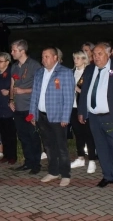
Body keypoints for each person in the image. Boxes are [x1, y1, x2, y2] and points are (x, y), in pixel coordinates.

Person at [78, 42, 113, 192]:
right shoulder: (90, 69)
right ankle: (107, 175)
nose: (96, 57)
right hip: (95, 117)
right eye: (94, 54)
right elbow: (84, 93)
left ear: (108, 54)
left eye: (99, 54)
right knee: (101, 147)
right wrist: (82, 111)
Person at [29, 47, 74, 186]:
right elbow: (34, 95)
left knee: (61, 147)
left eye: (47, 56)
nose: (44, 59)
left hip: (57, 116)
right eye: (42, 57)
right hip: (42, 116)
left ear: (55, 58)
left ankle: (65, 174)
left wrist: (65, 117)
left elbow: (69, 97)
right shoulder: (39, 73)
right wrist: (32, 114)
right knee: (48, 146)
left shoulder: (65, 73)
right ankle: (53, 171)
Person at [10, 39, 42, 174]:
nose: (11, 53)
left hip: (30, 108)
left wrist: (24, 91)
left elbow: (40, 87)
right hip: (18, 107)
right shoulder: (14, 66)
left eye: (14, 50)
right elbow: (12, 84)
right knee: (23, 136)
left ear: (22, 51)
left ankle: (36, 164)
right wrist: (11, 99)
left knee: (33, 136)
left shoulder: (35, 66)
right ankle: (28, 162)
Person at [69, 50, 96, 174]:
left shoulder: (88, 73)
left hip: (84, 107)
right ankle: (80, 157)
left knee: (88, 134)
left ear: (84, 59)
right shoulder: (71, 72)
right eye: (75, 58)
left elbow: (88, 92)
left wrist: (77, 89)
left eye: (79, 58)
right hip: (73, 107)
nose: (76, 60)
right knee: (78, 133)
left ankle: (91, 160)